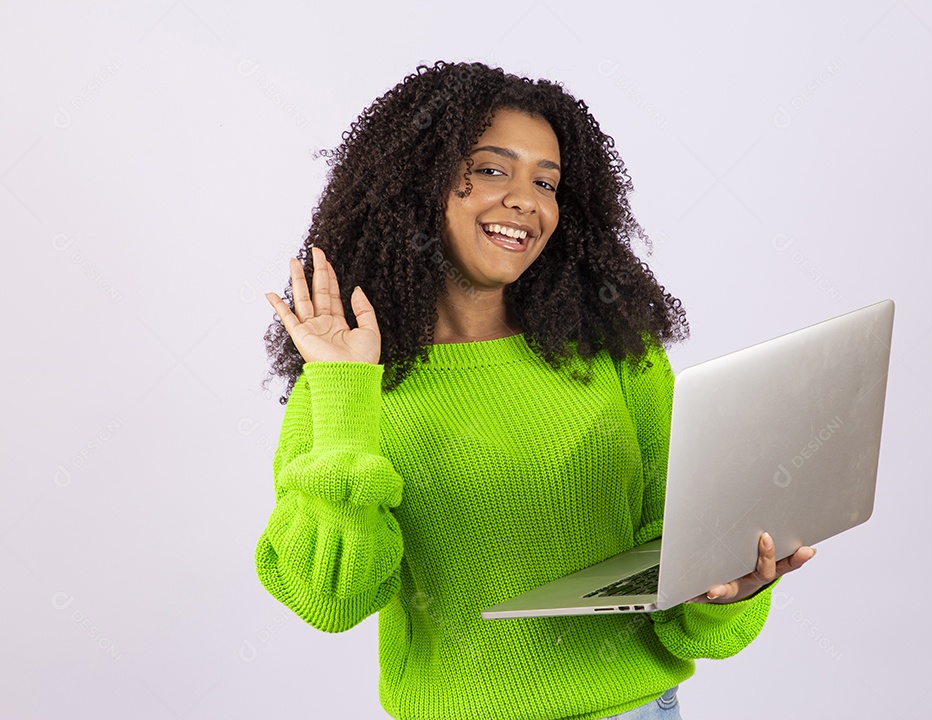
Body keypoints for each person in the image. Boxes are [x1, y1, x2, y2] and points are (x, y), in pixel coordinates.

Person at [255, 60, 815, 720]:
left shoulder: (616, 353)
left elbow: (682, 568)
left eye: (545, 182)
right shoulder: (350, 381)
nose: (526, 200)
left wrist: (728, 593)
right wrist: (347, 390)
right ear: (418, 182)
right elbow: (332, 598)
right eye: (492, 169)